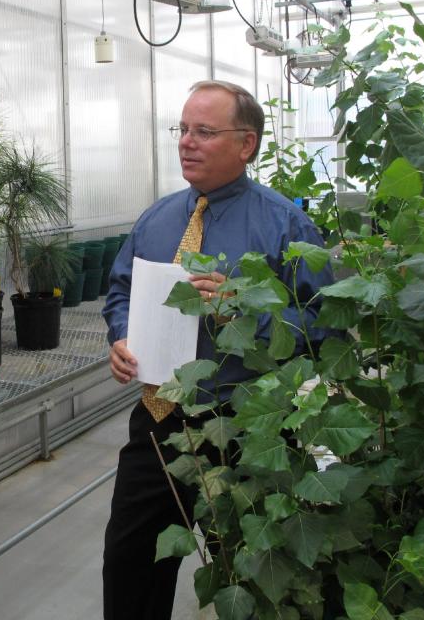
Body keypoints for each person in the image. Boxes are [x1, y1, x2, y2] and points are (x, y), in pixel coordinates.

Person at [101, 80, 334, 619]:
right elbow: (121, 290)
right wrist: (120, 336)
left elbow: (321, 326)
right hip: (160, 420)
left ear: (246, 144)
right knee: (130, 560)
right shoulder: (157, 220)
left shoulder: (286, 227)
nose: (187, 142)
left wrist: (245, 311)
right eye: (182, 129)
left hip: (246, 426)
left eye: (204, 131)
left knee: (245, 569)